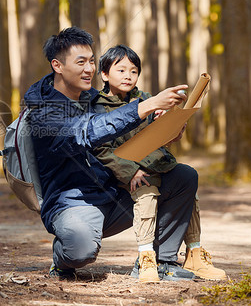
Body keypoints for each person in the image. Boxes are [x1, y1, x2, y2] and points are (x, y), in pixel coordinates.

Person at [23, 27, 195, 281]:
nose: (89, 69)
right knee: (81, 250)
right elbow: (87, 131)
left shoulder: (94, 97)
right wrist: (147, 105)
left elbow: (131, 136)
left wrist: (167, 128)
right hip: (73, 203)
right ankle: (61, 259)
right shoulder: (45, 112)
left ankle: (160, 261)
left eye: (91, 61)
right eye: (80, 62)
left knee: (183, 177)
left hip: (116, 193)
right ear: (57, 66)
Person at [92, 44, 226, 282]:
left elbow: (160, 140)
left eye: (133, 71)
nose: (128, 76)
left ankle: (194, 254)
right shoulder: (97, 106)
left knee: (187, 177)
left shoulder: (147, 100)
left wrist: (173, 125)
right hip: (121, 175)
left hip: (153, 164)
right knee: (147, 188)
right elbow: (101, 149)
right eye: (120, 70)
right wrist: (130, 171)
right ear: (104, 74)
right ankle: (147, 258)